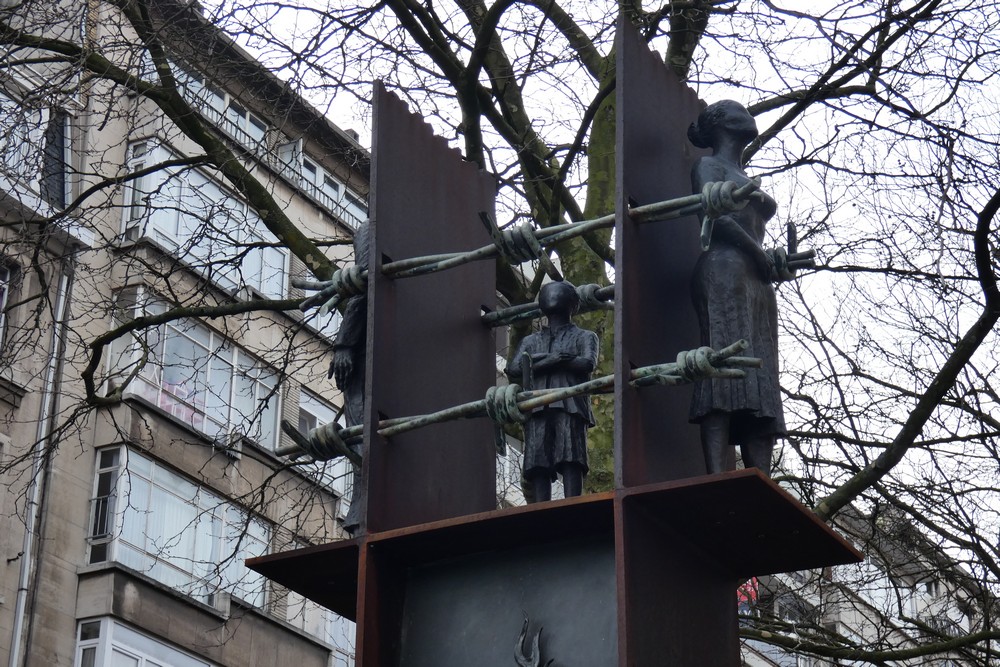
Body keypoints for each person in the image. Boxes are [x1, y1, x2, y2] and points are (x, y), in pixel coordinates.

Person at [687, 100, 785, 477]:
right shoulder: (708, 166)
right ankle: (716, 474)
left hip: (756, 280)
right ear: (723, 124)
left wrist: (768, 259)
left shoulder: (740, 172)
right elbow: (713, 218)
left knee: (761, 375)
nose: (750, 118)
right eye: (740, 112)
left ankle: (760, 474)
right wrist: (755, 252)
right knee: (724, 363)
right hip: (724, 271)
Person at [505, 281, 599, 502]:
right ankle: (540, 507)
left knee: (571, 454)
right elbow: (515, 367)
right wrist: (555, 360)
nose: (552, 296)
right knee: (538, 458)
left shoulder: (584, 336)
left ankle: (572, 502)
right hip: (536, 406)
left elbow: (587, 363)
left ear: (573, 303)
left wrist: (539, 362)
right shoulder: (531, 340)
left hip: (570, 403)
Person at [330, 221, 370, 535]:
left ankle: (364, 511)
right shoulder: (375, 226)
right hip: (368, 354)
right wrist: (345, 344)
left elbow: (364, 286)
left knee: (364, 434)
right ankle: (362, 511)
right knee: (362, 434)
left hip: (379, 354)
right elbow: (365, 285)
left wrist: (345, 344)